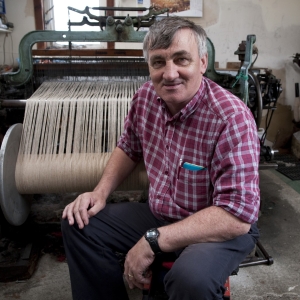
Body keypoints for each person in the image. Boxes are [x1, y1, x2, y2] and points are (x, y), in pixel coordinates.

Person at [61, 16, 260, 300]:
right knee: (78, 224)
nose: (169, 73)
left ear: (202, 63)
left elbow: (236, 217)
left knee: (190, 279)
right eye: (158, 62)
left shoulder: (231, 117)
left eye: (181, 59)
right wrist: (100, 192)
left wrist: (151, 241)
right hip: (163, 214)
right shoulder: (145, 98)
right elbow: (129, 147)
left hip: (219, 226)